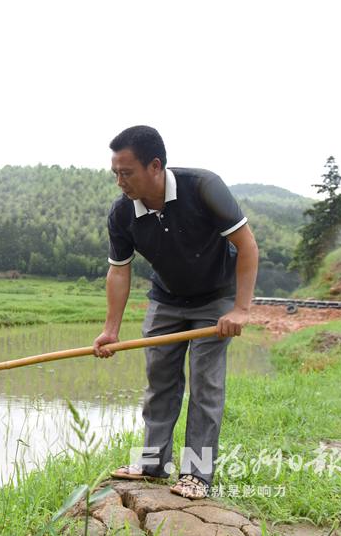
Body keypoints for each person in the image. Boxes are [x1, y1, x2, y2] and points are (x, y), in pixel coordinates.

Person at [93, 125, 258, 499]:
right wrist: (110, 330)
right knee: (160, 381)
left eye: (127, 172)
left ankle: (197, 475)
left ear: (155, 166)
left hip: (215, 297)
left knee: (205, 385)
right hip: (166, 299)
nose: (120, 181)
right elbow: (119, 270)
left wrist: (241, 309)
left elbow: (247, 245)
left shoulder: (203, 188)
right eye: (115, 173)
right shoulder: (122, 214)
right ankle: (152, 465)